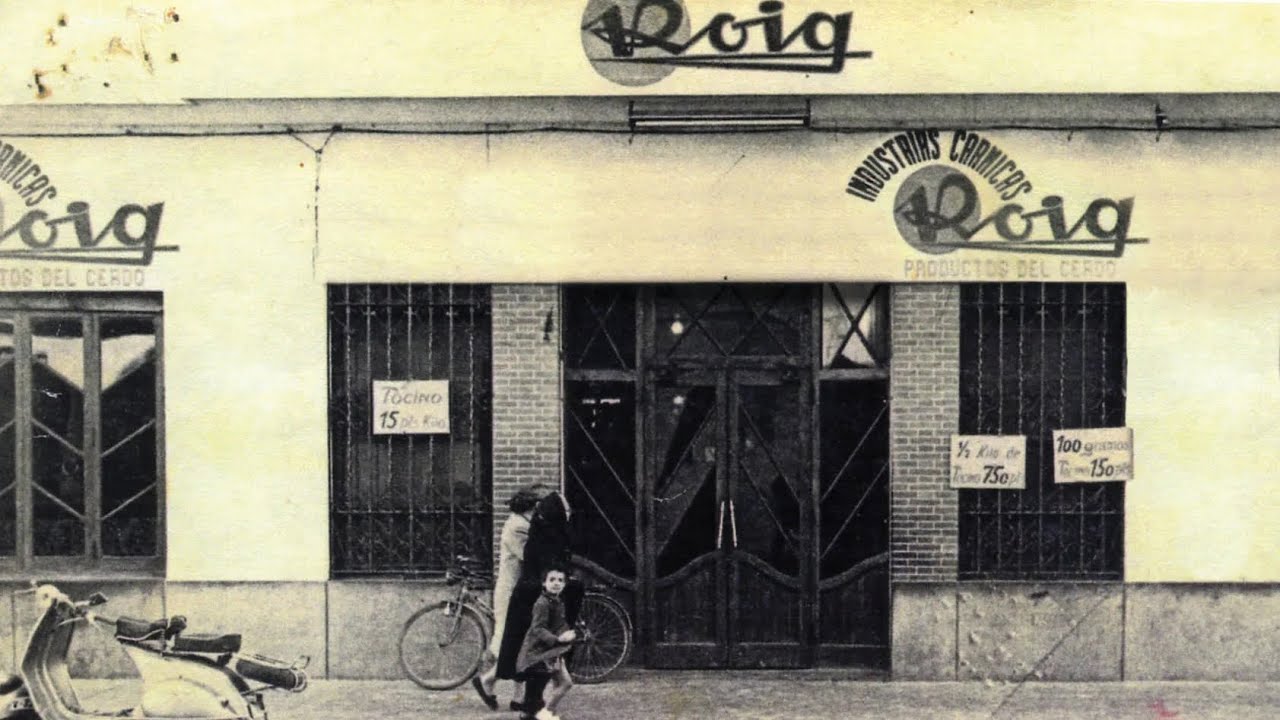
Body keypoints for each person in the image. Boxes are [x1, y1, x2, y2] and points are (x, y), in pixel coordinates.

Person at [495, 490, 584, 719]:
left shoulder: (542, 531)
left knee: (542, 661)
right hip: (537, 604)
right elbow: (551, 570)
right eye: (564, 510)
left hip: (533, 601)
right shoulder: (549, 537)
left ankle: (532, 705)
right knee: (541, 658)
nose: (568, 514)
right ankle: (532, 707)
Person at [470, 483, 548, 710]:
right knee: (511, 642)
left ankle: (518, 696)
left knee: (522, 641)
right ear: (532, 506)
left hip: (521, 592)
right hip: (512, 592)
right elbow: (530, 556)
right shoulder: (518, 526)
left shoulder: (523, 523)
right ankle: (487, 681)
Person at [515, 565, 576, 720]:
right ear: (544, 583)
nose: (556, 583)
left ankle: (545, 712)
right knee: (546, 688)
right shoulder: (542, 603)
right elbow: (538, 628)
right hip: (539, 653)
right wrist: (557, 639)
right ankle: (544, 712)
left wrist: (568, 634)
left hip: (551, 652)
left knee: (564, 683)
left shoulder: (557, 601)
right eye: (552, 579)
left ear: (564, 584)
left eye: (560, 580)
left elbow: (558, 624)